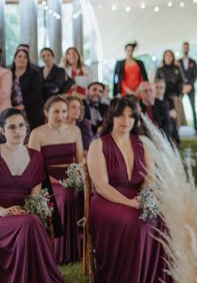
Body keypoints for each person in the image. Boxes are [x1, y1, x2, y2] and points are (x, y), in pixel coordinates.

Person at [87, 97, 168, 282]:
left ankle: (151, 277)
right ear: (111, 117)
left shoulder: (143, 142)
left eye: (131, 116)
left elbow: (150, 178)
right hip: (108, 200)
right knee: (135, 223)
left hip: (138, 196)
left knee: (162, 219)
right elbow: (101, 185)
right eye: (121, 116)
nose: (126, 121)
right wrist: (130, 203)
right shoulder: (98, 145)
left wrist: (143, 197)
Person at [0, 107, 64, 283]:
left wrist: (25, 210)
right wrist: (4, 212)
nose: (18, 131)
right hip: (1, 215)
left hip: (24, 214)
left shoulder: (36, 157)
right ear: (1, 130)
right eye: (12, 127)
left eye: (21, 125)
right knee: (31, 223)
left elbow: (35, 197)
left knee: (31, 221)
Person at [28, 95, 84, 264]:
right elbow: (34, 167)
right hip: (46, 180)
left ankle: (83, 245)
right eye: (56, 112)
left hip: (71, 179)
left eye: (64, 111)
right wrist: (56, 181)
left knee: (84, 193)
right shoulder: (37, 133)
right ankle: (60, 252)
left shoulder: (75, 131)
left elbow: (79, 160)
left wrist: (76, 177)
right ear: (46, 112)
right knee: (66, 196)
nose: (61, 115)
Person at [12, 48, 44, 129]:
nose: (22, 59)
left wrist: (23, 106)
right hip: (12, 109)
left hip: (30, 110)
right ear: (14, 59)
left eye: (25, 57)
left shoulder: (33, 74)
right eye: (19, 56)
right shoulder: (9, 73)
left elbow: (37, 93)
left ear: (28, 60)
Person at [155, 50, 186, 128]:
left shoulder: (177, 68)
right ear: (164, 57)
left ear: (173, 57)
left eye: (170, 56)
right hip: (162, 96)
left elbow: (181, 81)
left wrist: (178, 93)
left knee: (175, 116)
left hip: (174, 95)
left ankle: (176, 133)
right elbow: (156, 82)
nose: (168, 57)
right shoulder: (160, 69)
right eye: (167, 56)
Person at [180, 42, 197, 135]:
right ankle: (176, 129)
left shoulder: (193, 62)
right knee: (178, 107)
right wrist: (183, 86)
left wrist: (190, 85)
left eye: (187, 47)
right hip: (181, 89)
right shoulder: (178, 61)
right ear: (182, 48)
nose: (185, 49)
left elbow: (195, 75)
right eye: (184, 47)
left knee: (193, 108)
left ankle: (196, 129)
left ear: (189, 48)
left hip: (191, 88)